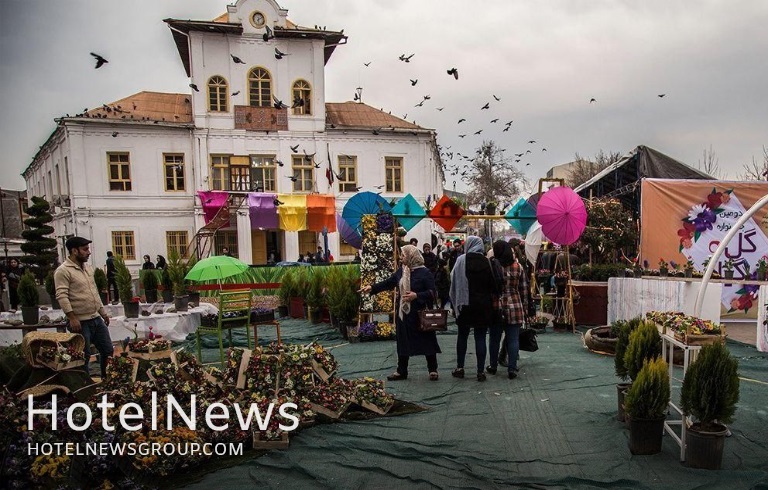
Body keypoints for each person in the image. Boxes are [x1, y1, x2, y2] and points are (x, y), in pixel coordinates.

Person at [361, 245, 441, 381]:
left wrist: (416, 295)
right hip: (404, 314)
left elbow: (433, 293)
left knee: (427, 341)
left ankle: (432, 369)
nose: (401, 257)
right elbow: (388, 283)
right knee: (403, 341)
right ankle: (401, 371)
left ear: (411, 256)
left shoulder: (424, 273)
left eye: (403, 255)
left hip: (419, 315)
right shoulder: (402, 271)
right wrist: (372, 288)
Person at [55, 237, 113, 378]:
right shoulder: (63, 271)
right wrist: (72, 318)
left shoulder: (87, 268)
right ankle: (85, 385)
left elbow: (94, 292)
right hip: (80, 322)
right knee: (83, 356)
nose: (89, 252)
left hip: (95, 318)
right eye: (85, 249)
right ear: (74, 251)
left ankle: (106, 379)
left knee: (108, 350)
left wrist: (103, 313)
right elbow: (62, 296)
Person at [449, 236, 497, 381]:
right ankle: (480, 371)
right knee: (480, 337)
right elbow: (492, 286)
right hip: (482, 306)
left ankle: (460, 367)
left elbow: (453, 282)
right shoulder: (487, 262)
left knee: (462, 336)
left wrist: (454, 304)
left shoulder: (461, 260)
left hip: (464, 305)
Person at [488, 241, 529, 379]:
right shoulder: (518, 267)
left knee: (494, 339)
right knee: (513, 339)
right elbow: (523, 290)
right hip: (515, 306)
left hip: (496, 307)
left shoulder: (493, 266)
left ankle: (493, 366)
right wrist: (525, 309)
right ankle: (512, 368)